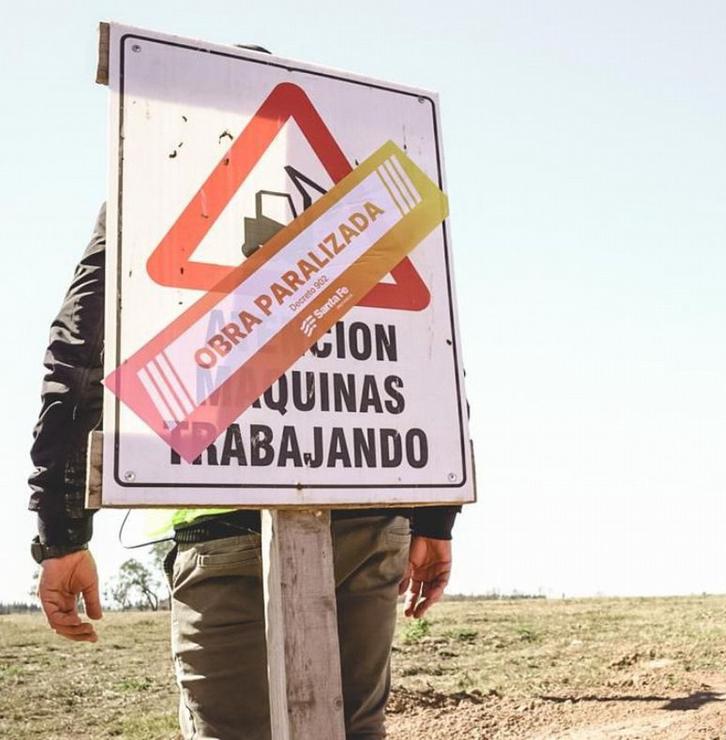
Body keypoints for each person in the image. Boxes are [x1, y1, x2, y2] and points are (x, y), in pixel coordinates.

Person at [29, 203, 460, 739]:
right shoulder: (368, 165)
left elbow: (82, 352)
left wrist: (63, 531)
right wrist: (434, 513)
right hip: (365, 509)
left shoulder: (155, 166)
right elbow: (429, 343)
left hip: (225, 519)